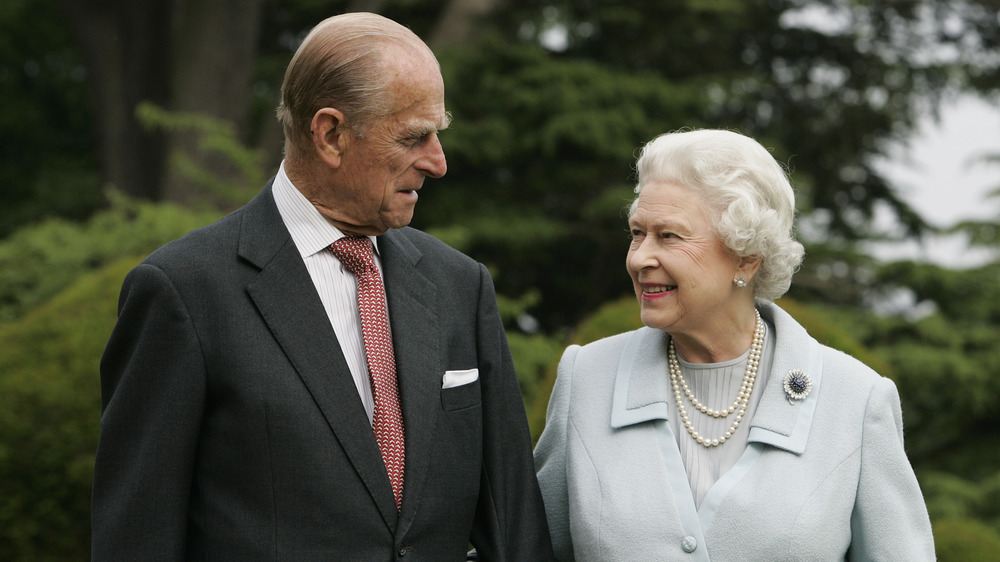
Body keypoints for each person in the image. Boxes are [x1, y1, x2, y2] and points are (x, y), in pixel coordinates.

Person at [92, 12, 552, 560]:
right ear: (330, 134)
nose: (438, 162)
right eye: (413, 136)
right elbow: (136, 538)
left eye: (438, 134)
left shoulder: (461, 285)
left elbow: (516, 528)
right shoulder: (183, 292)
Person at [533, 129, 935, 560]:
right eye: (637, 232)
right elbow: (528, 549)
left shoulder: (855, 401)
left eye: (668, 236)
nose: (638, 258)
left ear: (746, 257)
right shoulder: (587, 378)